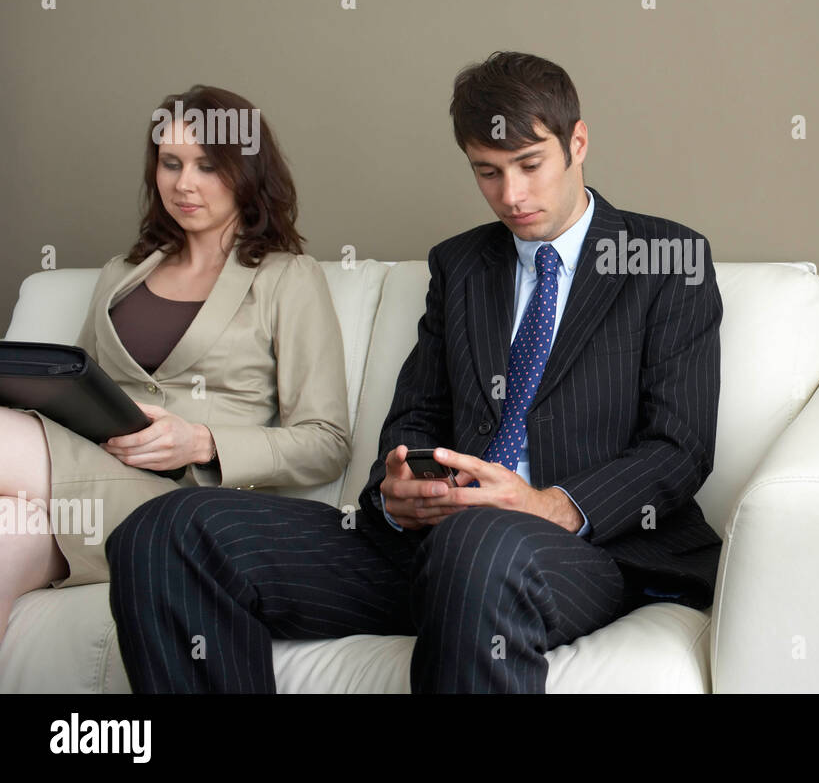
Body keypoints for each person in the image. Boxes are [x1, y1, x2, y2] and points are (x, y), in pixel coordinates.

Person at [106, 51, 724, 693]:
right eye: (487, 172)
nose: (510, 196)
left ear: (578, 141)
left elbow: (678, 448)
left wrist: (547, 504)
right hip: (430, 548)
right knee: (165, 532)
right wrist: (396, 495)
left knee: (482, 542)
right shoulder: (460, 266)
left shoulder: (664, 258)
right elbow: (417, 415)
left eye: (530, 165)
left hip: (582, 553)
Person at [0, 85, 350, 647]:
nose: (182, 183)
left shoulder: (288, 278)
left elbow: (328, 441)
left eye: (207, 165)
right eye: (170, 163)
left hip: (185, 504)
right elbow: (70, 386)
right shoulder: (122, 272)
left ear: (246, 172)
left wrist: (203, 442)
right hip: (92, 487)